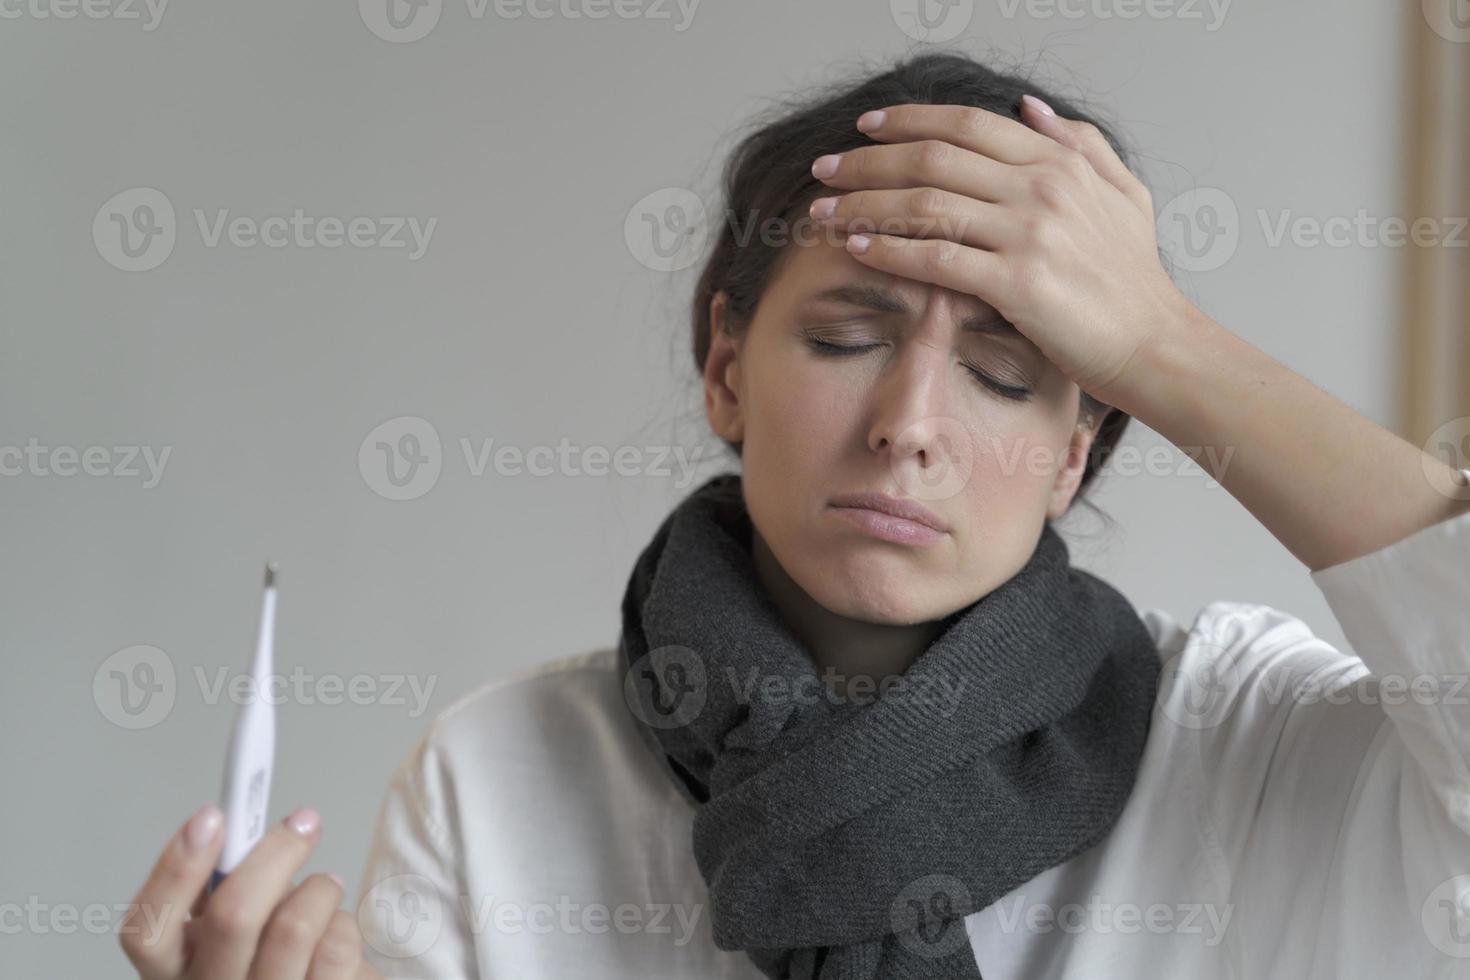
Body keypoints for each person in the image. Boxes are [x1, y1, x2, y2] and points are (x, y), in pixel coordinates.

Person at [121, 50, 1470, 980]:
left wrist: (1167, 345)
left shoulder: (1240, 740)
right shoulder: (503, 774)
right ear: (723, 365)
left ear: (1077, 453)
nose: (910, 424)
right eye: (842, 338)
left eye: (1006, 373)